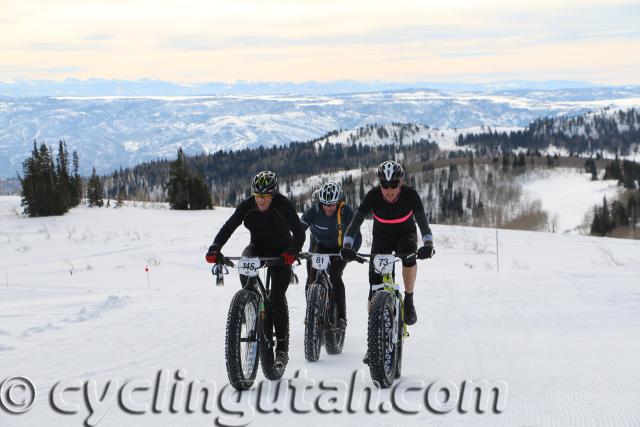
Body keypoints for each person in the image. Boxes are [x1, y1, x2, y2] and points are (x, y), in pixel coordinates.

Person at [205, 170, 305, 368]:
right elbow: (229, 226)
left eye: (265, 197)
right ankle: (251, 302)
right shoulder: (248, 205)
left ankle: (282, 349)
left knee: (276, 299)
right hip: (257, 248)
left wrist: (293, 252)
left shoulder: (283, 205)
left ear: (273, 195)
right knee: (245, 262)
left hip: (282, 253)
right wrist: (215, 247)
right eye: (258, 196)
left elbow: (300, 233)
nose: (260, 201)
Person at [341, 160, 434, 331]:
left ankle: (409, 299)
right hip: (381, 238)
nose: (389, 190)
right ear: (380, 183)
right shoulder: (373, 196)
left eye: (394, 185)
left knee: (408, 254)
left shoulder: (410, 195)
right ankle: (374, 337)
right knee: (374, 288)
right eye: (385, 185)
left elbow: (423, 225)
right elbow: (354, 225)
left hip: (405, 235)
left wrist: (428, 244)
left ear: (401, 183)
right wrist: (347, 246)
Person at [301, 182, 361, 330]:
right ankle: (311, 312)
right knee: (311, 277)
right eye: (325, 205)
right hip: (321, 247)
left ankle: (341, 316)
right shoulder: (313, 211)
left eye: (332, 205)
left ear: (338, 202)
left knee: (335, 275)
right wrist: (292, 247)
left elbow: (356, 235)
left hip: (341, 249)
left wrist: (351, 251)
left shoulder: (345, 211)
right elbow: (298, 230)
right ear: (320, 202)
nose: (328, 208)